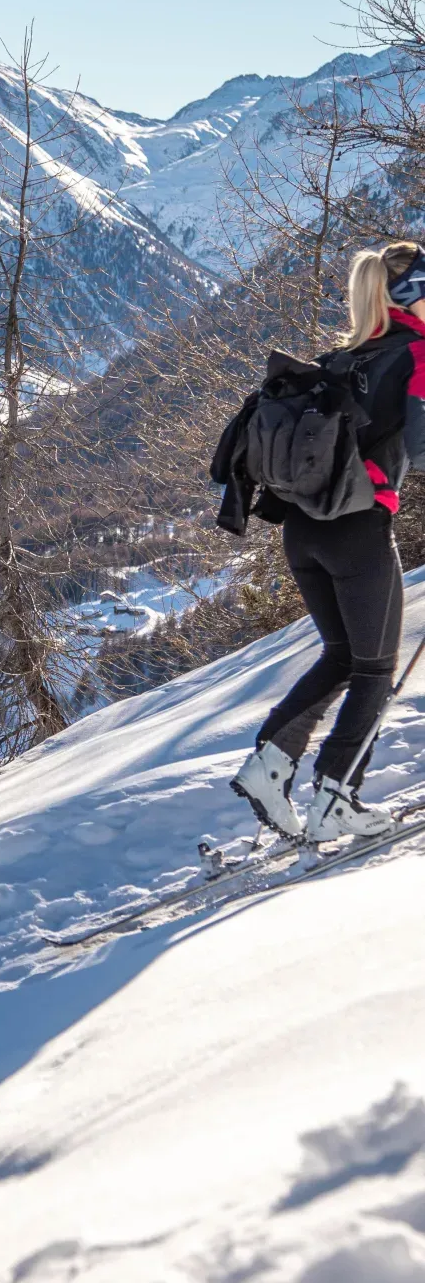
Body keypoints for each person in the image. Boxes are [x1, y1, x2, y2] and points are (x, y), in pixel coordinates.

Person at [233, 241, 425, 844]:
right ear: (411, 292)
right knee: (374, 669)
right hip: (358, 533)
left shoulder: (339, 358)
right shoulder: (418, 351)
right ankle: (338, 794)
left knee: (341, 656)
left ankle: (270, 764)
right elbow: (422, 448)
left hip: (303, 532)